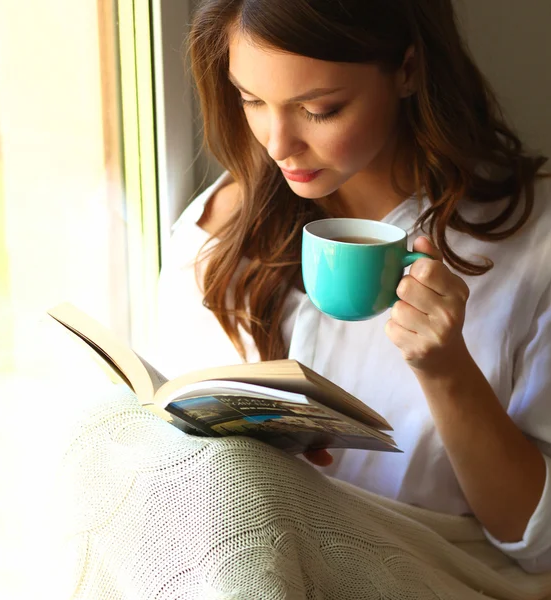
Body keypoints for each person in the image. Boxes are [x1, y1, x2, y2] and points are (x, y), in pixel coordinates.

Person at [153, 0, 551, 574]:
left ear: (409, 69)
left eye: (319, 109)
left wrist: (446, 372)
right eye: (252, 100)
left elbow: (539, 544)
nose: (277, 144)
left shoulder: (530, 242)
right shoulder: (218, 235)